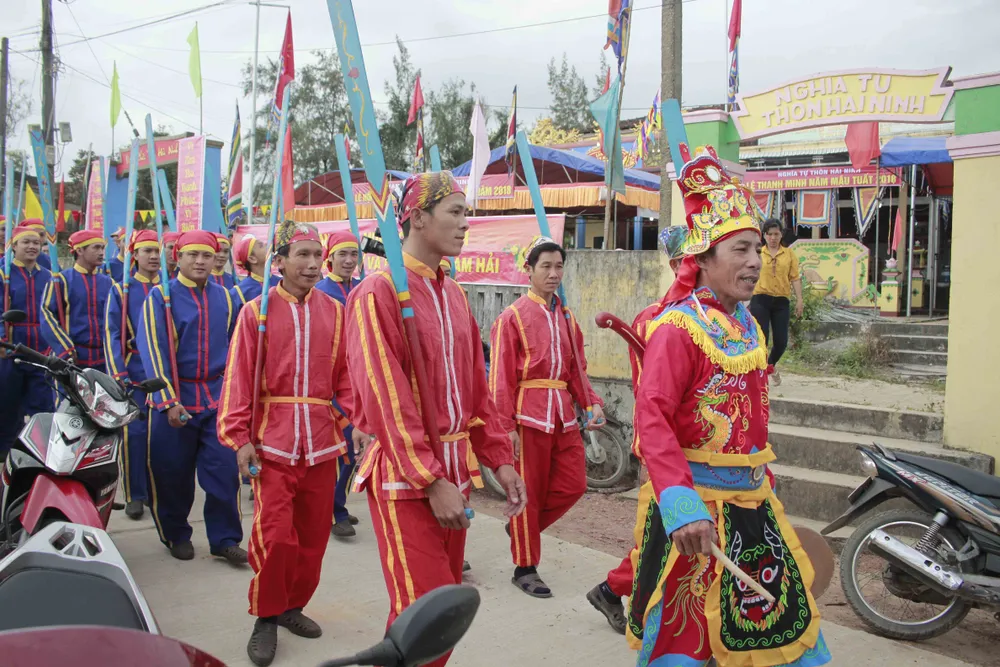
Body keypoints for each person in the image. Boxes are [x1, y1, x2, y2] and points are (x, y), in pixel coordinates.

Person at [629, 146, 830, 667]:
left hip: (753, 504)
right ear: (704, 258)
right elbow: (652, 418)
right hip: (696, 515)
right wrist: (680, 505)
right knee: (687, 649)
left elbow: (752, 418)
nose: (754, 262)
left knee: (788, 636)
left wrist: (763, 473)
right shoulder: (677, 329)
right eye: (740, 250)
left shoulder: (747, 322)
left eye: (756, 251)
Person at [345, 172, 527, 667]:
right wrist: (429, 479)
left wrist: (499, 458)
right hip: (409, 481)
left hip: (454, 474)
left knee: (428, 619)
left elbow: (476, 390)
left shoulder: (454, 295)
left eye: (467, 213)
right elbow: (386, 398)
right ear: (418, 218)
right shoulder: (377, 294)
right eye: (456, 212)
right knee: (427, 615)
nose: (467, 224)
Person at [219, 221, 358, 667]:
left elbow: (347, 378)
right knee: (276, 536)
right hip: (273, 443)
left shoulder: (336, 313)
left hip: (321, 442)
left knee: (313, 537)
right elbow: (239, 380)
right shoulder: (254, 312)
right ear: (278, 263)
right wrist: (241, 439)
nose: (313, 263)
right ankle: (265, 612)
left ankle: (291, 605)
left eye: (318, 255)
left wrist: (355, 418)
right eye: (302, 255)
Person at [489, 235, 604, 598]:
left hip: (564, 416)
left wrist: (591, 402)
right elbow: (501, 378)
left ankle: (524, 528)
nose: (554, 274)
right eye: (546, 267)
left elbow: (577, 370)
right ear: (529, 271)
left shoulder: (568, 318)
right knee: (529, 492)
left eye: (559, 267)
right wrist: (505, 428)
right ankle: (525, 567)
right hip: (528, 414)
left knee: (575, 484)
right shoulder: (512, 317)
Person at [587, 225, 688, 634]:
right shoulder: (656, 319)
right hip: (666, 449)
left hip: (708, 454)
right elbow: (654, 397)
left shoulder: (724, 320)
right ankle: (614, 590)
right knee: (659, 537)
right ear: (681, 264)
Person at [137, 230, 246, 565]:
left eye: (207, 256)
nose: (200, 262)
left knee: (223, 470)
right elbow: (152, 349)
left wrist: (238, 396)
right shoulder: (160, 297)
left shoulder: (228, 298)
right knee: (172, 472)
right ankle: (176, 533)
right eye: (192, 255)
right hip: (176, 395)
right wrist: (168, 400)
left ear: (216, 260)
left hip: (216, 396)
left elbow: (238, 350)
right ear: (178, 258)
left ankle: (224, 538)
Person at [104, 230, 161, 520]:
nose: (153, 256)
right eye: (147, 250)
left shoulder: (169, 287)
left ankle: (157, 493)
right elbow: (112, 333)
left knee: (161, 436)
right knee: (134, 435)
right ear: (134, 254)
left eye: (157, 250)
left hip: (163, 371)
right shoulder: (121, 289)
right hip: (134, 368)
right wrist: (118, 371)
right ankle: (135, 494)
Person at [315, 230, 364, 539]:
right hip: (334, 381)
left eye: (353, 254)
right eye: (342, 254)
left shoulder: (363, 288)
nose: (348, 260)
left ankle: (337, 503)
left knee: (357, 449)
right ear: (329, 257)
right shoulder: (320, 291)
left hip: (363, 377)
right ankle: (334, 511)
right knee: (343, 447)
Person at [0, 224, 54, 455]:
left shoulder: (49, 276)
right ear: (13, 246)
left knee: (43, 404)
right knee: (7, 402)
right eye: (26, 242)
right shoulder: (4, 274)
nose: (32, 247)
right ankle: (5, 449)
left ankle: (41, 450)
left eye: (36, 243)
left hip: (41, 348)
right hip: (11, 345)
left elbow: (55, 312)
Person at [40, 229, 112, 368]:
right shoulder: (60, 280)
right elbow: (47, 315)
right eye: (96, 247)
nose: (101, 252)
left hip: (103, 355)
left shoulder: (109, 283)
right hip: (73, 354)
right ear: (79, 251)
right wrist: (64, 348)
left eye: (102, 247)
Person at [749, 219, 803, 386]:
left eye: (776, 234)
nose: (773, 237)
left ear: (781, 235)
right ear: (764, 235)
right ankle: (760, 374)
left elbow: (794, 278)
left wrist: (800, 300)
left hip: (781, 301)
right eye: (769, 234)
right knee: (762, 337)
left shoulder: (789, 254)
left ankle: (769, 365)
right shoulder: (758, 252)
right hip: (760, 299)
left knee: (781, 341)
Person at [230, 233, 267, 310]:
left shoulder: (281, 282)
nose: (267, 245)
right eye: (261, 245)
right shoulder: (239, 292)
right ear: (252, 259)